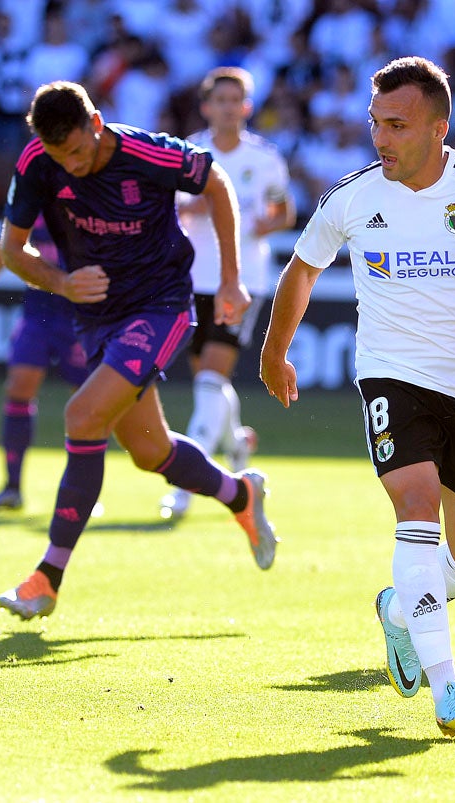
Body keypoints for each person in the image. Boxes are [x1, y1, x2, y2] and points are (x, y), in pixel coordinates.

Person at [260, 57, 455, 735]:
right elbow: (301, 270)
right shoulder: (354, 194)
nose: (381, 138)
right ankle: (448, 683)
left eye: (395, 125)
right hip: (392, 373)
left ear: (437, 125)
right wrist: (274, 351)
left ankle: (400, 607)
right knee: (415, 506)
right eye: (375, 124)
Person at [0, 80, 278, 621]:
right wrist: (62, 283)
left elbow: (216, 183)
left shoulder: (145, 151)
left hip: (161, 306)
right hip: (97, 317)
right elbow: (11, 249)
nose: (72, 166)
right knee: (150, 452)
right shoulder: (37, 160)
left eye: (79, 151)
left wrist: (230, 280)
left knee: (82, 414)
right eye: (62, 157)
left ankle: (47, 577)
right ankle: (241, 495)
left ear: (96, 124)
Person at [160, 67, 295, 520]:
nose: (227, 108)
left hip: (240, 280)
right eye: (219, 100)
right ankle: (236, 443)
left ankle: (185, 484)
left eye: (235, 100)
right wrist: (188, 207)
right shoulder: (188, 152)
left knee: (210, 380)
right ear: (206, 107)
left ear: (247, 107)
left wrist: (265, 223)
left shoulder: (266, 157)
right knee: (208, 382)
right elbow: (167, 206)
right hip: (190, 277)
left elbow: (285, 211)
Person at [0, 221, 89, 511]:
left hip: (82, 318)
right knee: (18, 387)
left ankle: (84, 494)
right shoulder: (33, 200)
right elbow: (2, 250)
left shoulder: (87, 198)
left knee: (90, 405)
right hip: (38, 314)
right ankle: (12, 489)